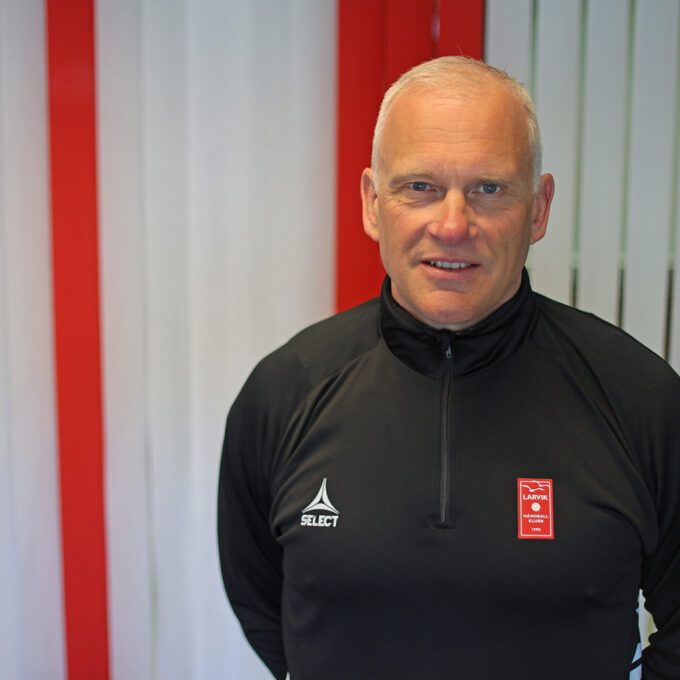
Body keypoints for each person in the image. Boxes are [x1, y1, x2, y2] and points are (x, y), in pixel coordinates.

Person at [218, 56, 680, 680]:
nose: (454, 225)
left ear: (539, 208)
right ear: (372, 204)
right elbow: (264, 606)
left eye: (489, 188)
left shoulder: (640, 399)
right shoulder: (283, 394)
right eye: (420, 187)